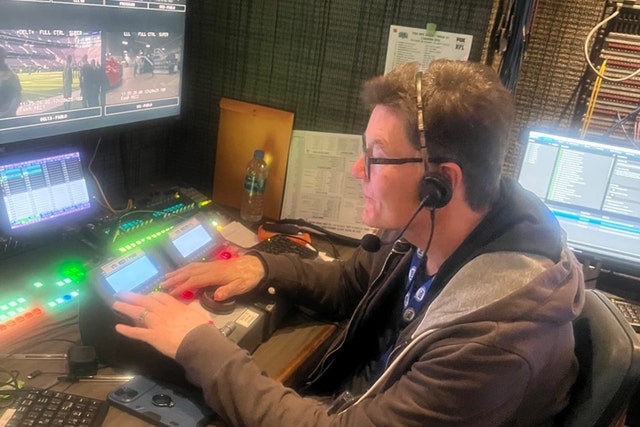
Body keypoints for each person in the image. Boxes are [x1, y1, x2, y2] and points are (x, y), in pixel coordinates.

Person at [113, 59, 585, 426]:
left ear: (439, 184)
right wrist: (263, 268)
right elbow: (352, 281)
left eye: (376, 158)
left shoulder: (492, 344)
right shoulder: (439, 227)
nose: (357, 171)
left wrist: (200, 344)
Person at [0, 46, 21, 118]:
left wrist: (6, 113)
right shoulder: (12, 76)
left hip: (6, 117)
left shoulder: (11, 77)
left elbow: (16, 97)